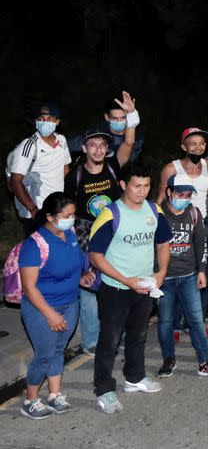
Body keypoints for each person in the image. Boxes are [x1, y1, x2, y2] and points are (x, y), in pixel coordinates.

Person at [88, 163, 172, 413]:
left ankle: (134, 378)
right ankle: (104, 390)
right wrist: (126, 281)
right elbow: (95, 256)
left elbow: (164, 243)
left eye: (147, 186)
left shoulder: (154, 210)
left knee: (138, 336)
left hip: (145, 286)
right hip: (116, 289)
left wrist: (161, 273)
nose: (142, 191)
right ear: (123, 185)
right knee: (109, 341)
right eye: (137, 186)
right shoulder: (110, 214)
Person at [64, 92, 138, 357]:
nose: (98, 150)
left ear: (108, 148)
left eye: (103, 146)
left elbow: (129, 141)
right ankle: (92, 341)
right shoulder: (75, 175)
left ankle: (128, 331)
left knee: (121, 280)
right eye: (92, 145)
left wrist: (131, 115)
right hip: (86, 232)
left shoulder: (113, 166)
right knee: (91, 287)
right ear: (84, 148)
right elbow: (69, 209)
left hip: (114, 229)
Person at [18, 192, 94, 419]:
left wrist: (80, 279)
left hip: (70, 303)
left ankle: (54, 395)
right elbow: (29, 287)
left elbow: (72, 265)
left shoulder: (69, 234)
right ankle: (30, 400)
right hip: (41, 308)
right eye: (67, 215)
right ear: (50, 217)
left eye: (73, 214)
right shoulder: (34, 244)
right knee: (44, 354)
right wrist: (50, 314)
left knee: (58, 350)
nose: (72, 219)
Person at [157, 175, 208, 379]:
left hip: (189, 276)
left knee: (196, 320)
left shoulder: (194, 213)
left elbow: (201, 245)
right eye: (180, 194)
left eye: (188, 195)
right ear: (169, 192)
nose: (185, 198)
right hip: (165, 279)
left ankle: (204, 362)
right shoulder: (158, 214)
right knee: (165, 322)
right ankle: (168, 359)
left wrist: (202, 271)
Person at [158, 127, 208, 320]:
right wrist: (156, 225)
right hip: (176, 226)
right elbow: (161, 197)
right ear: (183, 146)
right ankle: (176, 321)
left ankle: (199, 318)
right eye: (193, 143)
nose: (198, 147)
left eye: (202, 144)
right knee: (181, 274)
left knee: (207, 273)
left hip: (203, 225)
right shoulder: (171, 169)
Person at [7, 104, 72, 235]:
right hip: (38, 211)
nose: (45, 122)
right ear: (36, 121)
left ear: (57, 122)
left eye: (50, 119)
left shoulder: (62, 140)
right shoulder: (30, 145)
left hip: (58, 208)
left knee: (57, 248)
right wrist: (33, 210)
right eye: (41, 119)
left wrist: (67, 201)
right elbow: (15, 180)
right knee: (38, 251)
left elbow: (66, 170)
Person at [68, 96, 144, 162]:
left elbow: (132, 158)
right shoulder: (97, 131)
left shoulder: (136, 134)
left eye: (123, 118)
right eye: (115, 118)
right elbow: (71, 145)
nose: (119, 121)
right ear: (107, 117)